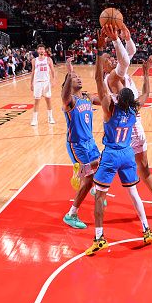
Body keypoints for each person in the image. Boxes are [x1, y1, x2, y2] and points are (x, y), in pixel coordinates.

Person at [85, 32, 152, 256]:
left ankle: (99, 238)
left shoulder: (110, 108)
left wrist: (97, 53)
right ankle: (146, 229)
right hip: (127, 153)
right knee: (133, 193)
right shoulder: (135, 110)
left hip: (112, 154)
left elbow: (98, 80)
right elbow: (146, 93)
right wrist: (145, 73)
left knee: (99, 195)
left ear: (117, 96)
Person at [102, 24, 152, 209]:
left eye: (112, 56)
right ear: (102, 66)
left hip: (135, 118)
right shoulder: (111, 78)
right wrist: (116, 39)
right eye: (107, 58)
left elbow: (129, 54)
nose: (111, 58)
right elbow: (125, 61)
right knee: (128, 160)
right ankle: (97, 181)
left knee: (140, 162)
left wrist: (127, 38)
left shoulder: (122, 73)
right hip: (128, 123)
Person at [62, 57, 103, 230]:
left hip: (90, 142)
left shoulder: (87, 97)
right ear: (68, 84)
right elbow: (64, 94)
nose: (78, 78)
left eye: (78, 77)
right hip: (77, 144)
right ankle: (71, 214)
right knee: (89, 177)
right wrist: (69, 70)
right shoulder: (69, 101)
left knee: (102, 166)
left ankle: (90, 184)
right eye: (74, 78)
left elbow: (105, 100)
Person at [30, 44, 56, 126]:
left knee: (48, 100)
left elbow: (52, 71)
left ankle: (50, 117)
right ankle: (34, 119)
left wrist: (53, 80)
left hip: (46, 82)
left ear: (44, 51)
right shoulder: (34, 60)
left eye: (42, 49)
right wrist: (31, 83)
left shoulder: (48, 59)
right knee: (36, 101)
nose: (41, 50)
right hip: (37, 82)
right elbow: (33, 72)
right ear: (37, 50)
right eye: (40, 49)